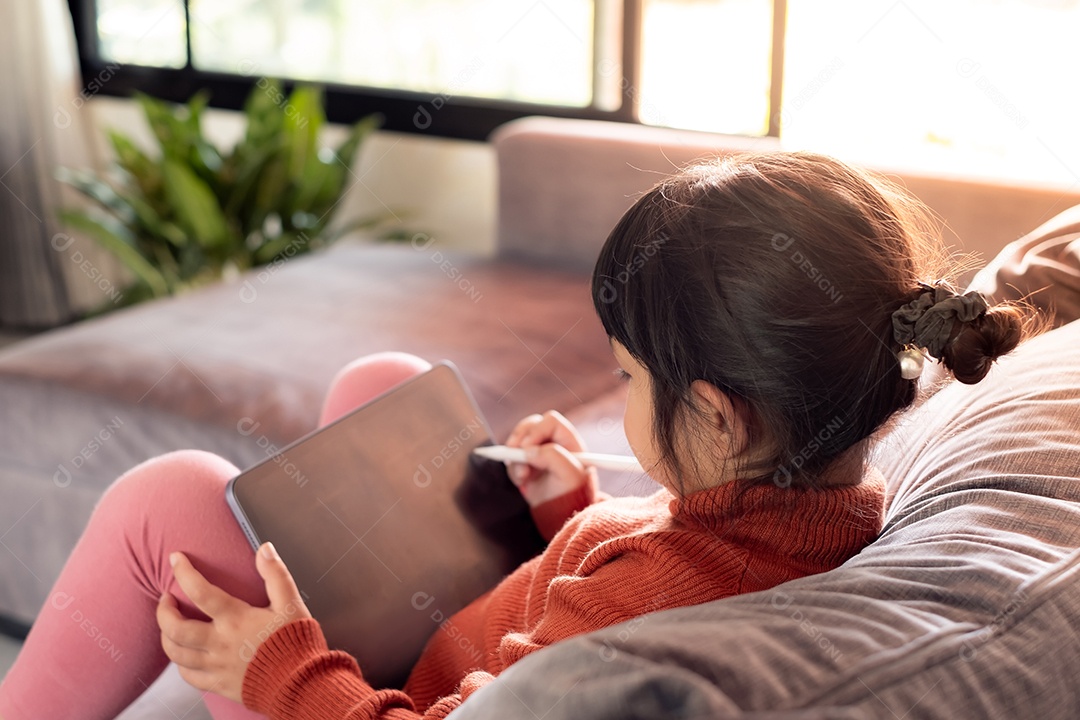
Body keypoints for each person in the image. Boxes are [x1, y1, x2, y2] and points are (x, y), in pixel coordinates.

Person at [0, 152, 1027, 720]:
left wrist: (282, 668)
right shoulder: (818, 506)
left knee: (171, 496)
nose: (622, 395)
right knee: (386, 385)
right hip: (466, 638)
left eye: (628, 377)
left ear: (716, 416)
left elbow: (631, 593)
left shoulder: (678, 583)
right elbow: (633, 571)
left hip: (364, 696)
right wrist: (568, 514)